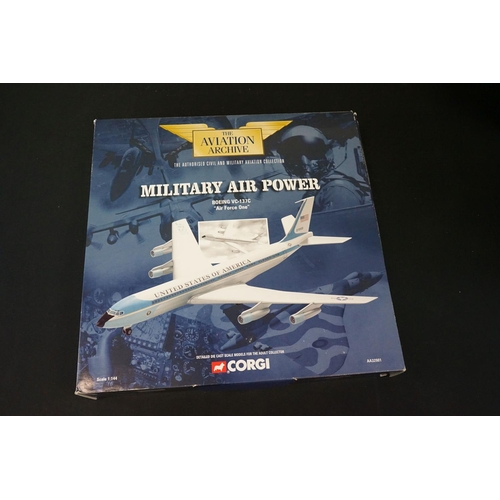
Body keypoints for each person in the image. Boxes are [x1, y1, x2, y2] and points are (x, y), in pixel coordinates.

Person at [275, 125, 372, 211]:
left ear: (326, 155)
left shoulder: (337, 190)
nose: (304, 162)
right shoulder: (318, 191)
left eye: (312, 153)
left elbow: (339, 225)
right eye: (295, 157)